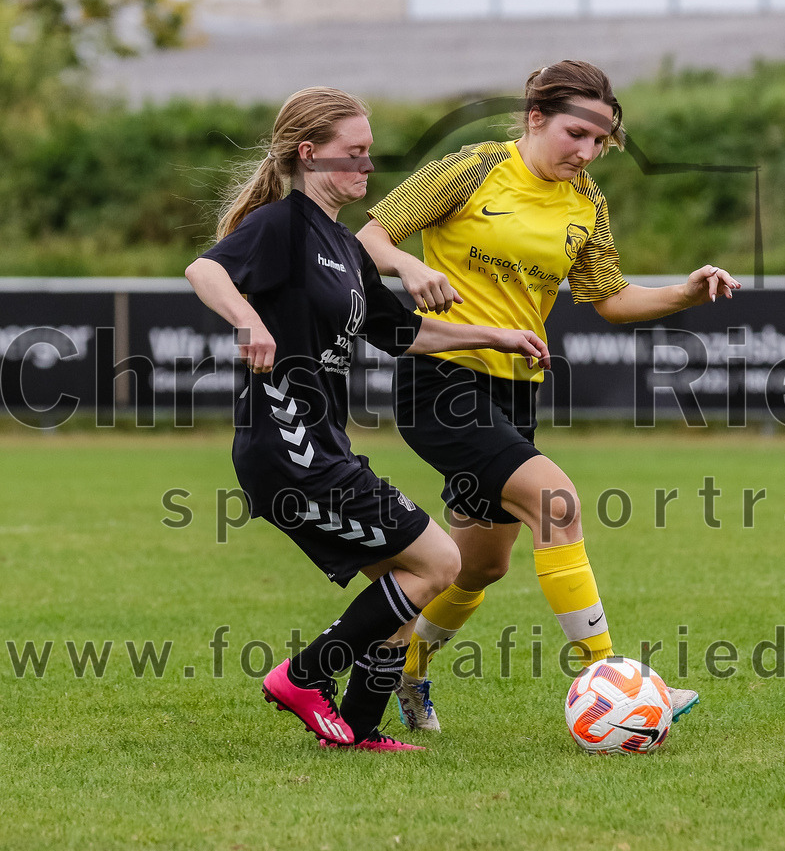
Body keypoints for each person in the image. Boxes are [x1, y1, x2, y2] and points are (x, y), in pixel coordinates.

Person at [357, 60, 740, 732]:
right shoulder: (473, 168)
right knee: (556, 500)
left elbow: (609, 298)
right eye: (577, 135)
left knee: (478, 568)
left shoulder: (586, 202)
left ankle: (407, 670)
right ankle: (615, 676)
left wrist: (685, 291)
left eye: (601, 142)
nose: (587, 153)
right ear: (536, 118)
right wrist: (411, 266)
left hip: (516, 391)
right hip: (441, 380)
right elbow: (371, 236)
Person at [184, 87, 550, 753]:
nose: (365, 169)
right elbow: (205, 270)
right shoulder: (284, 224)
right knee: (439, 561)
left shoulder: (344, 246)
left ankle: (358, 727)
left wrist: (498, 337)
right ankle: (301, 678)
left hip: (326, 449)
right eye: (352, 155)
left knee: (401, 585)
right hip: (288, 452)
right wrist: (248, 321)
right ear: (309, 154)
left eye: (368, 155)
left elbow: (402, 331)